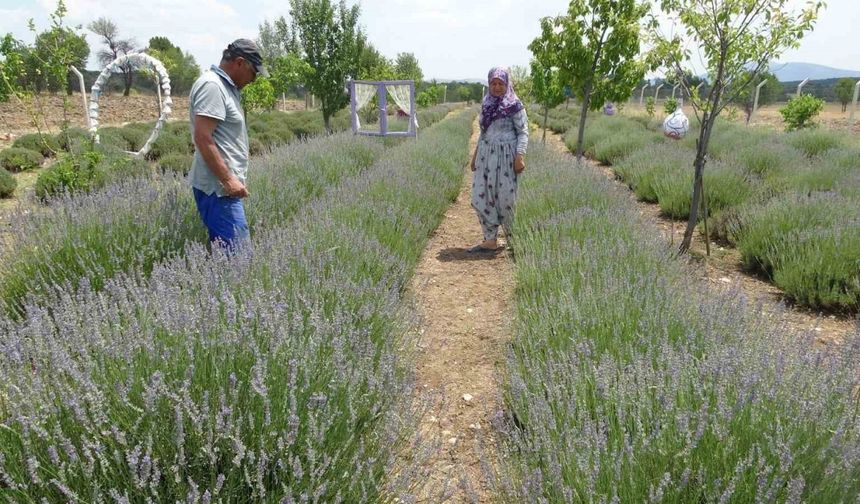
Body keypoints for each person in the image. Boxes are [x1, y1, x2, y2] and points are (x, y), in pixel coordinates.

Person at [188, 38, 268, 250]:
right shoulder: (213, 86)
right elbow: (203, 137)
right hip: (218, 190)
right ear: (240, 63)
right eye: (254, 72)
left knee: (228, 254)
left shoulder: (225, 87)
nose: (254, 79)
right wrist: (228, 180)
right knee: (238, 257)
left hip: (222, 189)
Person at [468, 67, 528, 253]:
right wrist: (475, 157)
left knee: (506, 199)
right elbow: (483, 133)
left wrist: (520, 156)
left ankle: (513, 240)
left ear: (507, 84)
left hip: (506, 157)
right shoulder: (486, 103)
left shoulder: (514, 105)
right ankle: (490, 239)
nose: (497, 87)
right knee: (481, 196)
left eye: (500, 83)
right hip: (486, 156)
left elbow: (523, 132)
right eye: (493, 83)